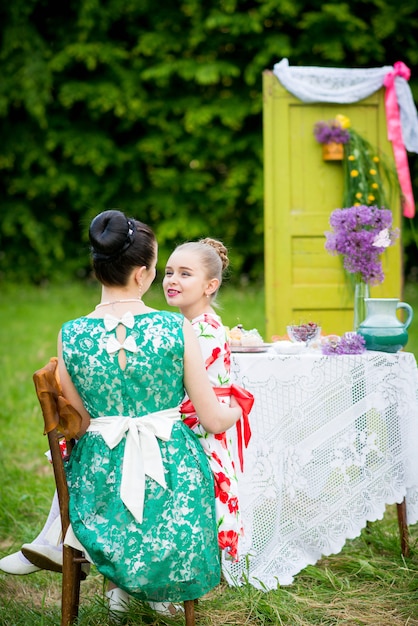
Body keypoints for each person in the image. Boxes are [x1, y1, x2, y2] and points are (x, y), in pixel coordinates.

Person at [1, 210, 242, 617]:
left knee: (103, 463)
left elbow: (78, 423)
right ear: (145, 273)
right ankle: (150, 590)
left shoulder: (71, 333)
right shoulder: (174, 328)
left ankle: (119, 584)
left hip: (98, 479)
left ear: (98, 269)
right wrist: (236, 409)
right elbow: (214, 420)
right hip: (174, 477)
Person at [163, 239, 253, 562]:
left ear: (209, 285)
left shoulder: (202, 331)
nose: (172, 280)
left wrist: (235, 410)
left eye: (185, 274)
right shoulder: (191, 325)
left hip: (201, 431)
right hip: (198, 422)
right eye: (169, 272)